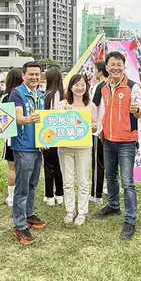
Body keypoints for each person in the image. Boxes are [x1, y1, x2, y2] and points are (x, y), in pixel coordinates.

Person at [95, 51, 141, 241]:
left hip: (126, 141)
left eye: (119, 65)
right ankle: (113, 205)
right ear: (107, 67)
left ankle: (130, 219)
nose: (115, 68)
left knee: (127, 182)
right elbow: (97, 109)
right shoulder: (103, 87)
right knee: (110, 176)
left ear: (124, 67)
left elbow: (140, 112)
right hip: (108, 139)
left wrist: (137, 110)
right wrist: (99, 129)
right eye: (112, 65)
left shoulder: (133, 87)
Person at [9, 61, 47, 245]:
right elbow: (17, 118)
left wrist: (46, 139)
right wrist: (29, 119)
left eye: (37, 74)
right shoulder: (17, 93)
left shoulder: (40, 94)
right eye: (31, 74)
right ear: (23, 75)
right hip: (23, 146)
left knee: (33, 184)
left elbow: (45, 121)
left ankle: (29, 214)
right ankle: (19, 224)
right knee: (22, 187)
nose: (34, 77)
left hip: (38, 146)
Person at [57, 74, 96, 225]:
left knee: (83, 180)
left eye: (82, 85)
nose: (80, 88)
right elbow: (54, 124)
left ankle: (82, 212)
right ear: (70, 87)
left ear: (86, 87)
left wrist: (93, 127)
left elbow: (95, 126)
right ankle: (70, 210)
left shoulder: (90, 105)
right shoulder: (62, 104)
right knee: (67, 181)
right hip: (65, 148)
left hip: (83, 148)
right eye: (76, 85)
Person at [42, 67, 64, 206]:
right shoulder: (63, 94)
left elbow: (50, 116)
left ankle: (50, 195)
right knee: (58, 165)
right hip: (61, 135)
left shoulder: (49, 94)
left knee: (49, 166)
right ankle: (59, 194)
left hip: (49, 134)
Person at [1, 68, 23, 206]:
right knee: (22, 168)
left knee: (12, 168)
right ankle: (21, 195)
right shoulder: (23, 95)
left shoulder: (5, 98)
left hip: (10, 137)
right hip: (24, 137)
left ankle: (11, 197)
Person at [90, 61, 109, 205]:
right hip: (110, 129)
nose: (94, 72)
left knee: (98, 164)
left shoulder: (100, 85)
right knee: (107, 163)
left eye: (95, 70)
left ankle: (96, 195)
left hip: (99, 130)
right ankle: (106, 189)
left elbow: (93, 106)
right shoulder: (111, 85)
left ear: (101, 71)